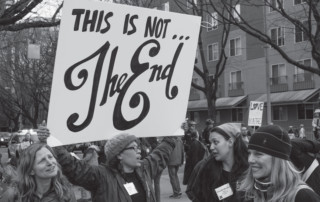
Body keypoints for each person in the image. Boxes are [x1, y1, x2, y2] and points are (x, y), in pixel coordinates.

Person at [53, 133, 176, 202]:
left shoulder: (144, 169)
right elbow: (73, 167)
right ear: (119, 154)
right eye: (133, 148)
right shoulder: (101, 176)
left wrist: (174, 134)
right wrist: (52, 140)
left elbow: (160, 153)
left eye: (138, 147)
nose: (139, 151)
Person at [240, 125, 320, 202]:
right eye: (249, 153)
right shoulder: (248, 194)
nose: (250, 160)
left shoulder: (302, 196)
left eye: (258, 154)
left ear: (278, 159)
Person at [186, 123, 248, 202]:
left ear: (230, 142)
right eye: (210, 143)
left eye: (215, 142)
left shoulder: (248, 170)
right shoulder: (204, 167)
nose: (211, 147)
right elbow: (194, 194)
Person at [1, 143, 76, 202]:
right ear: (31, 170)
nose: (50, 162)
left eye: (50, 157)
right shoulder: (13, 195)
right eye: (42, 160)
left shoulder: (66, 192)